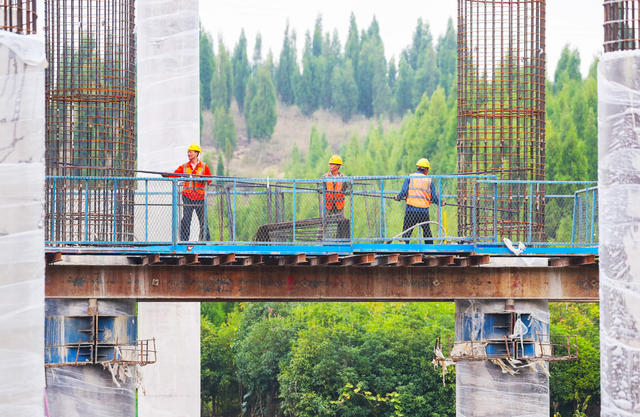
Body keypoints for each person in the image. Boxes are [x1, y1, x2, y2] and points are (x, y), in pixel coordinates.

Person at [395, 158, 444, 244]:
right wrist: (441, 202)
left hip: (411, 209)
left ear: (418, 167)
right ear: (426, 169)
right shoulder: (429, 180)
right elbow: (433, 197)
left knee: (407, 231)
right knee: (427, 231)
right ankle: (429, 250)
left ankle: (404, 249)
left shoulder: (410, 177)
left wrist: (398, 197)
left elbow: (404, 192)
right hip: (423, 211)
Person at [172, 142, 212, 241]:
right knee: (186, 219)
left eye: (191, 152)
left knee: (203, 221)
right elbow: (174, 174)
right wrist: (166, 175)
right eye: (188, 152)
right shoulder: (185, 167)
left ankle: (205, 241)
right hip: (188, 196)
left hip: (200, 197)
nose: (189, 154)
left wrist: (202, 179)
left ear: (196, 153)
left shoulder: (203, 166)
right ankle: (184, 241)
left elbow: (209, 179)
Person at [320, 154, 351, 238]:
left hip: (339, 204)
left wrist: (346, 191)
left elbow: (349, 188)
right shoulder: (325, 177)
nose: (330, 166)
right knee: (323, 222)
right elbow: (319, 188)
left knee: (341, 223)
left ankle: (341, 240)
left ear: (338, 166)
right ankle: (320, 240)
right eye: (330, 164)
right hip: (328, 204)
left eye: (332, 164)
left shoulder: (344, 178)